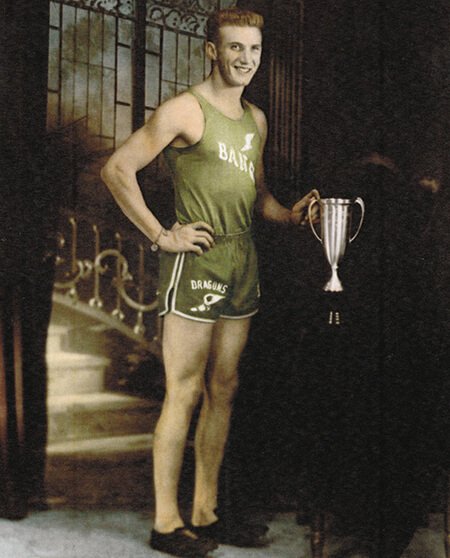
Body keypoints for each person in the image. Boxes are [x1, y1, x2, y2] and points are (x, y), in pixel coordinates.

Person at [101, 7, 319, 557]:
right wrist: (161, 235)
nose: (246, 58)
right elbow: (116, 169)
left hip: (242, 262)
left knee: (224, 388)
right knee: (184, 390)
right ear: (211, 51)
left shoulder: (256, 119)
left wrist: (290, 215)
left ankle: (205, 512)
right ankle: (165, 523)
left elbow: (258, 196)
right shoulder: (184, 109)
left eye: (254, 49)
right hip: (196, 263)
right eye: (235, 47)